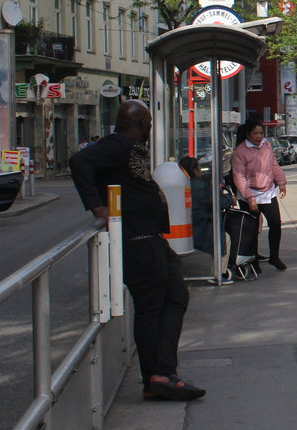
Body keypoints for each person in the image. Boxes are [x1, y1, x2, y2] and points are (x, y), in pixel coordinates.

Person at [69, 100, 205, 401]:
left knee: (176, 297)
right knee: (151, 306)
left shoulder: (125, 147)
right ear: (143, 125)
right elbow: (79, 162)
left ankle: (163, 372)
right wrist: (97, 207)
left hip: (151, 239)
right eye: (149, 124)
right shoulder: (118, 145)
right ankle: (156, 377)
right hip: (138, 241)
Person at [231, 118, 288, 270]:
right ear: (248, 134)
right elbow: (239, 177)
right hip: (249, 194)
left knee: (275, 223)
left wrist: (281, 182)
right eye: (255, 133)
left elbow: (273, 165)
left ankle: (274, 257)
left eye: (261, 133)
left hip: (267, 192)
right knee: (252, 229)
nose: (259, 136)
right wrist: (250, 198)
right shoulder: (240, 152)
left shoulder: (266, 145)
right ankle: (253, 259)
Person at [178, 156, 234, 280]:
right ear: (194, 170)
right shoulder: (199, 186)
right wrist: (230, 199)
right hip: (200, 225)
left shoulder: (183, 183)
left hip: (188, 224)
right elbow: (218, 203)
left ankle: (218, 271)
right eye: (199, 168)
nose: (201, 171)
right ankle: (218, 273)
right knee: (224, 239)